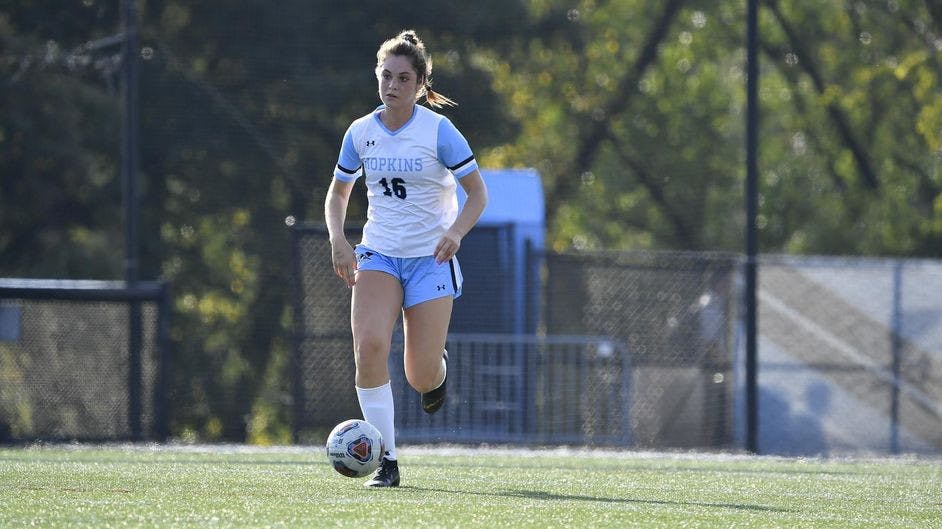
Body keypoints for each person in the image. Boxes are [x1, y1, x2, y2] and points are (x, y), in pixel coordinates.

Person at [324, 29, 488, 488]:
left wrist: (456, 232)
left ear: (419, 85)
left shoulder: (438, 131)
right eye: (385, 76)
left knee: (419, 376)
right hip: (378, 253)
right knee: (370, 347)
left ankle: (437, 373)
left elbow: (477, 193)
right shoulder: (360, 132)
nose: (392, 85)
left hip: (430, 259)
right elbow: (338, 193)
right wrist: (339, 239)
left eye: (402, 78)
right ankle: (387, 460)